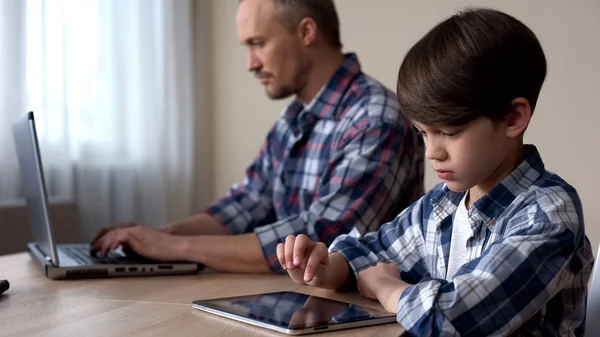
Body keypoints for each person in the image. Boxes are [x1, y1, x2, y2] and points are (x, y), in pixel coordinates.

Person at [277, 8, 594, 336]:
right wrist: (327, 267)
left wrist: (388, 289)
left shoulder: (548, 213)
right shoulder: (444, 204)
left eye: (450, 132)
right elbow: (376, 251)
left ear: (513, 118)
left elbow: (455, 318)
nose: (432, 152)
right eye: (423, 133)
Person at [90, 0, 424, 273]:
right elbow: (247, 203)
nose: (250, 63)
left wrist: (175, 247)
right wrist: (153, 236)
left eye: (258, 43)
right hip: (296, 296)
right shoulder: (293, 118)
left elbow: (323, 238)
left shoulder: (375, 117)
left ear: (306, 31)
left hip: (357, 311)